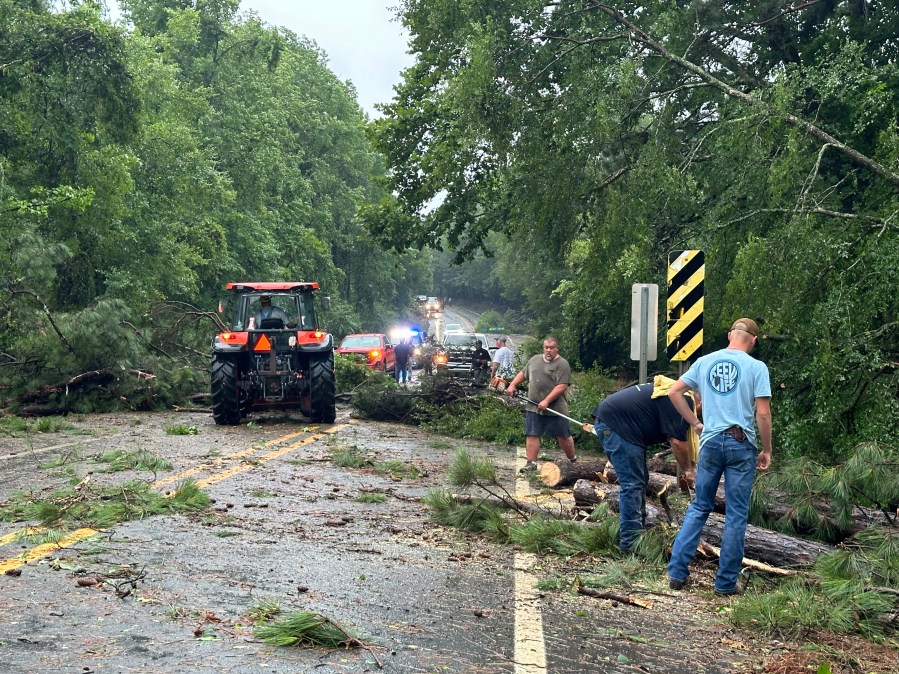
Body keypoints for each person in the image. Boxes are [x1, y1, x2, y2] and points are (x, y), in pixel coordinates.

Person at [666, 318, 772, 596]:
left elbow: (674, 391)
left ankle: (676, 573)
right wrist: (767, 449)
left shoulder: (705, 361)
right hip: (740, 444)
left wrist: (695, 423)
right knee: (736, 515)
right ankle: (725, 584)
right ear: (754, 341)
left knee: (700, 506)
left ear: (729, 336)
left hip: (711, 442)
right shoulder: (756, 367)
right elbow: (762, 413)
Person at [587, 379, 696, 553]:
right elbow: (677, 442)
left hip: (617, 423)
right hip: (617, 425)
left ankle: (638, 533)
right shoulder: (684, 400)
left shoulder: (676, 392)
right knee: (632, 484)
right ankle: (630, 545)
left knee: (639, 481)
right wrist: (689, 470)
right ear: (701, 400)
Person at [505, 336, 577, 472]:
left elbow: (562, 386)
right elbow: (523, 374)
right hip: (533, 406)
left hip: (556, 407)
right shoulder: (534, 360)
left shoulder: (562, 364)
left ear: (557, 348)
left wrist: (547, 400)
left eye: (552, 348)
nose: (548, 350)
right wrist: (513, 384)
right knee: (532, 433)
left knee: (563, 435)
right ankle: (531, 463)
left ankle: (573, 462)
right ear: (543, 348)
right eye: (546, 348)